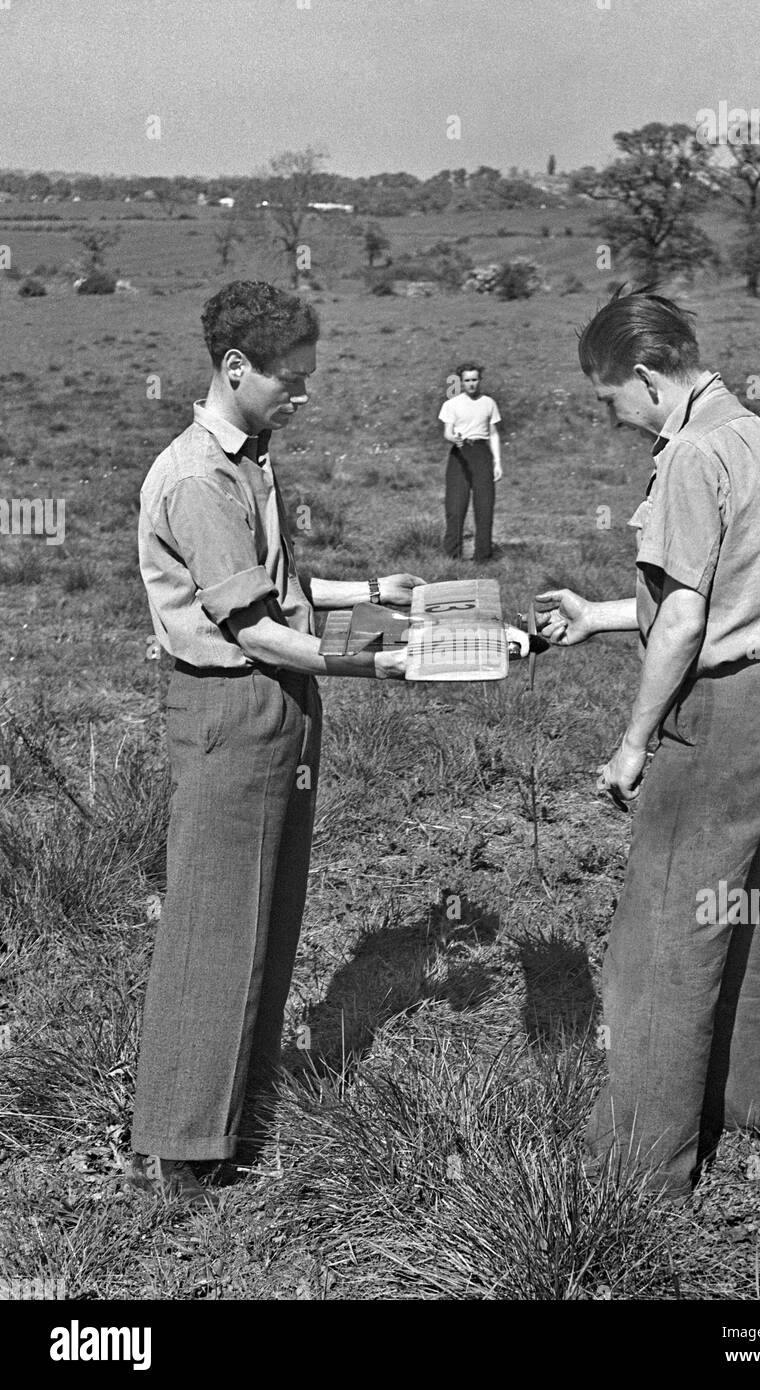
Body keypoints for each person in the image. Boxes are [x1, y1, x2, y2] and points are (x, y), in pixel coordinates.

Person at [129, 280, 424, 1203]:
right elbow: (253, 631)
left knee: (266, 919)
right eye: (289, 381)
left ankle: (234, 1117)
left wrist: (375, 591)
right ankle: (181, 1152)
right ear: (233, 368)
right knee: (215, 930)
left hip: (276, 703)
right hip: (232, 708)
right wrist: (374, 664)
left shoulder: (250, 458)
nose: (301, 396)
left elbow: (279, 591)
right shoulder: (200, 479)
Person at [536, 285, 760, 1201]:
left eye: (609, 395)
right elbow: (720, 591)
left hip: (724, 709)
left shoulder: (692, 454)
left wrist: (634, 740)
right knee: (749, 904)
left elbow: (688, 618)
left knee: (663, 924)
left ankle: (640, 1168)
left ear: (651, 377)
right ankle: (754, 1102)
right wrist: (597, 617)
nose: (610, 415)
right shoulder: (754, 434)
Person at [438, 363, 502, 562]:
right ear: (461, 382)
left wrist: (498, 462)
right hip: (460, 454)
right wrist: (453, 439)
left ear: (479, 380)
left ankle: (483, 556)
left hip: (482, 454)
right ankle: (452, 556)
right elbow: (447, 431)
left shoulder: (489, 403)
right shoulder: (452, 404)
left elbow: (493, 433)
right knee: (455, 507)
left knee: (484, 506)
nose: (471, 384)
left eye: (474, 380)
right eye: (467, 380)